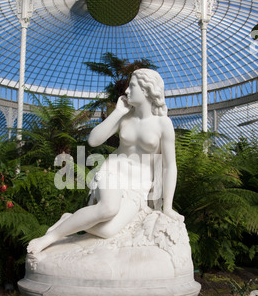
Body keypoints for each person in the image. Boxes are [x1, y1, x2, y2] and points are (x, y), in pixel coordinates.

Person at [27, 68, 182, 254]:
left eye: (132, 86)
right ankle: (50, 237)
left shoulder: (163, 124)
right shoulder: (124, 116)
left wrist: (168, 206)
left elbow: (169, 166)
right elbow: (93, 140)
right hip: (113, 172)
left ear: (147, 90)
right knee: (108, 208)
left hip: (137, 186)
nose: (126, 91)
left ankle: (69, 220)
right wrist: (117, 112)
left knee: (108, 230)